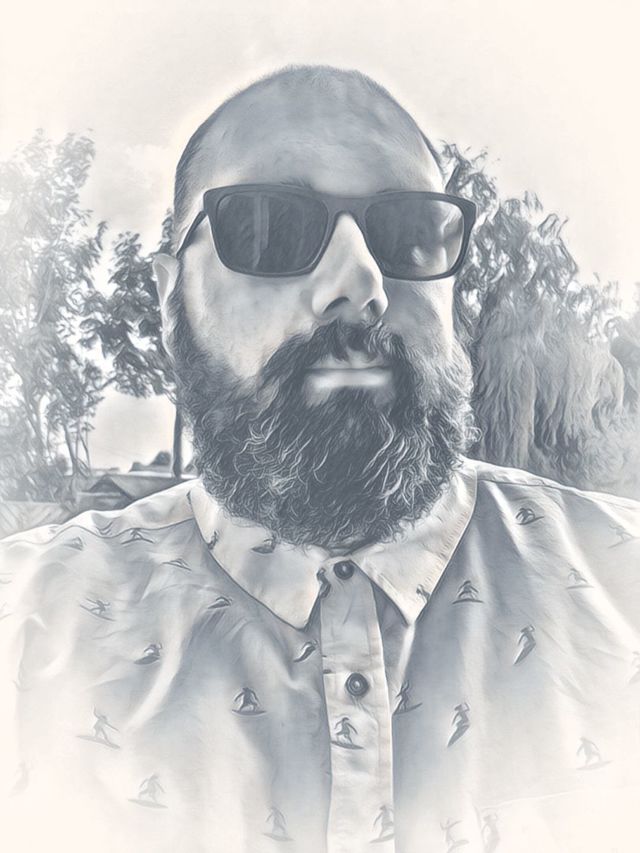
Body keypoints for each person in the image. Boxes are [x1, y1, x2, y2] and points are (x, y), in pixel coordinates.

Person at [0, 64, 638, 853]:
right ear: (170, 297)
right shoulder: (21, 631)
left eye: (408, 232)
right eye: (269, 227)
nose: (360, 282)